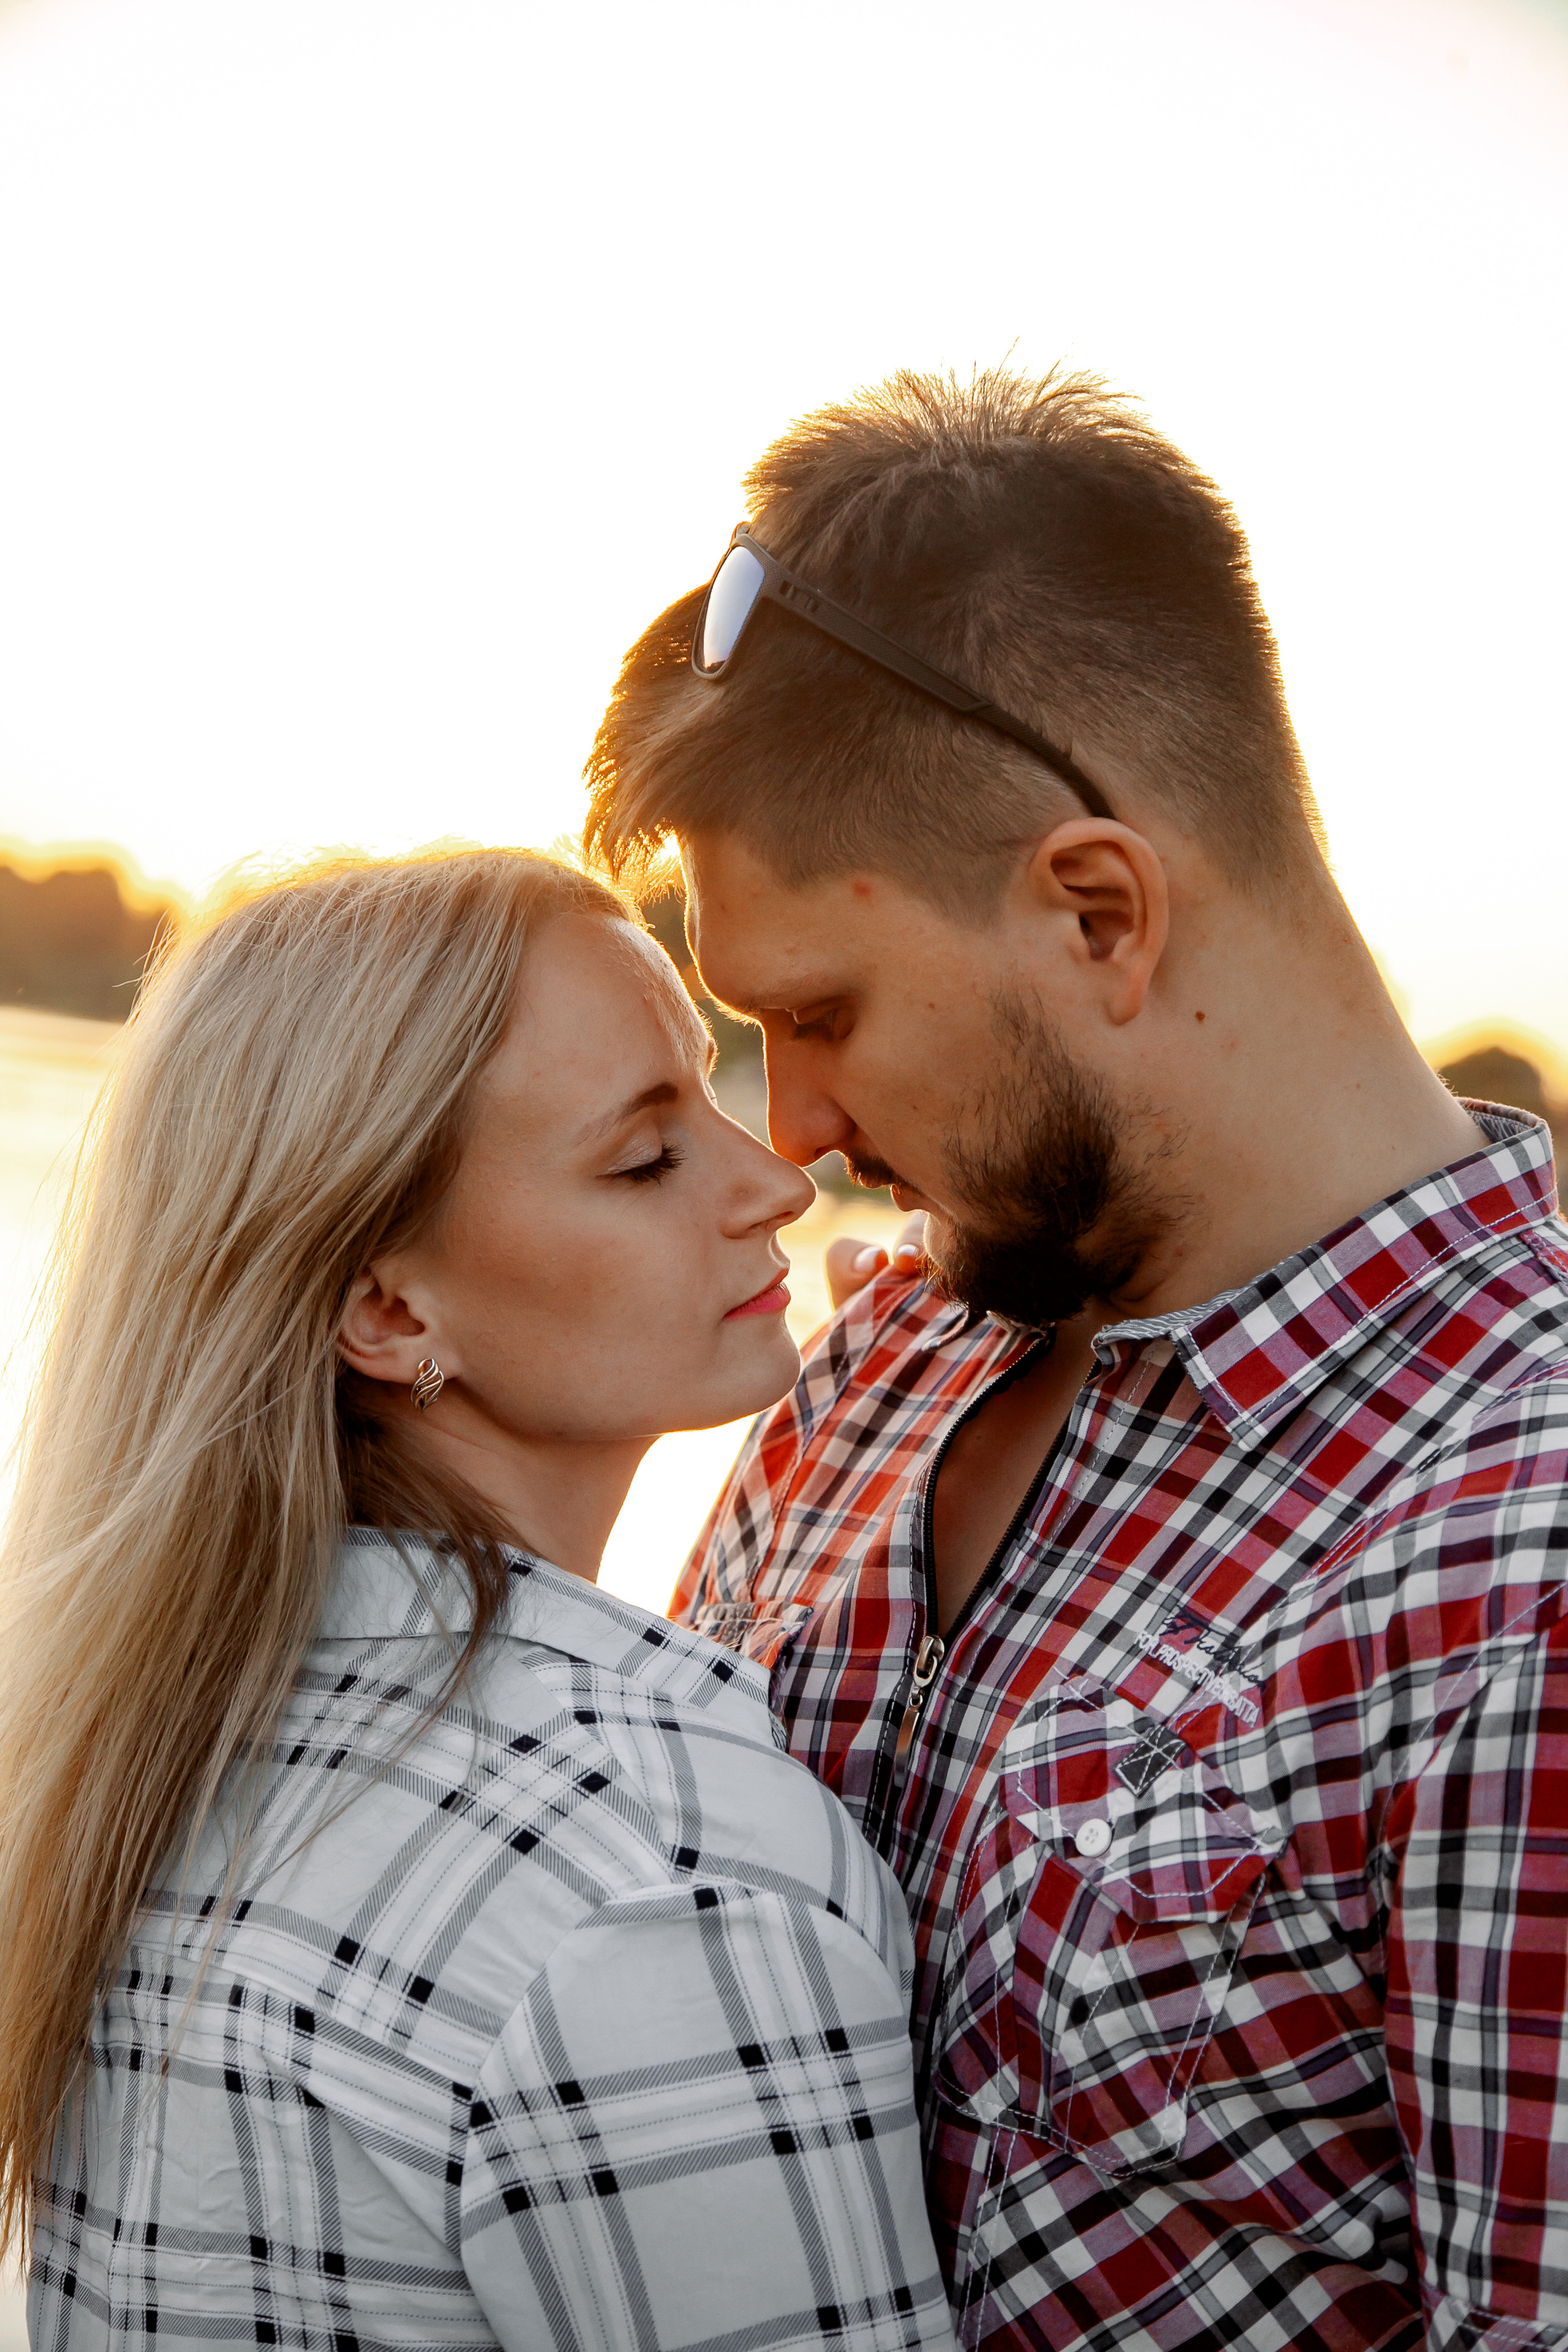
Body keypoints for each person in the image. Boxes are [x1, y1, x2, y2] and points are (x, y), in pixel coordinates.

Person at [583, 368, 1568, 2352]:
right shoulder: (868, 1378)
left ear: (1101, 913)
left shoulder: (1517, 1565)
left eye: (828, 1010)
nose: (792, 1130)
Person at [0, 848, 957, 2351]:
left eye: (704, 1100)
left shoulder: (145, 1742)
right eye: (644, 1159)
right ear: (387, 1310)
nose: (773, 1180)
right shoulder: (653, 1885)